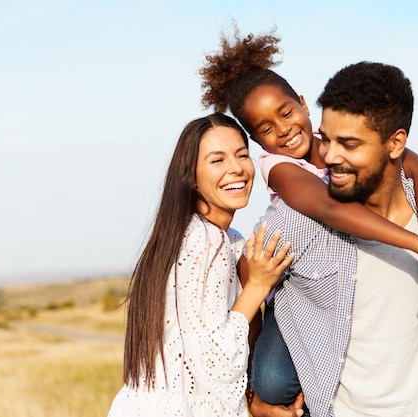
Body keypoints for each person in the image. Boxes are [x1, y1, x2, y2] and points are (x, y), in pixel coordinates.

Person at [200, 28, 418, 416]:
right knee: (273, 382)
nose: (282, 130)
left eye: (286, 113)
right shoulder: (279, 167)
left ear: (302, 103)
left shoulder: (336, 137)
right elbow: (330, 209)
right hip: (299, 288)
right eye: (265, 129)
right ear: (257, 143)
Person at [106, 113, 294, 417]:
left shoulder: (210, 237)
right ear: (192, 178)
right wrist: (258, 285)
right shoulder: (205, 241)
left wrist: (253, 399)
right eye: (217, 160)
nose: (236, 168)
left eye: (242, 155)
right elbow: (216, 360)